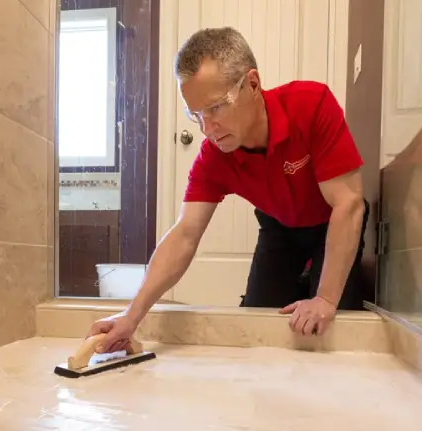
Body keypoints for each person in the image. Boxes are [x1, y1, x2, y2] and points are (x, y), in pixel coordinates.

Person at [88, 27, 368, 353]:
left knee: (334, 326)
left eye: (216, 107)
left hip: (331, 220)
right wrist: (131, 316)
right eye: (196, 114)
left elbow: (349, 203)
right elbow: (185, 233)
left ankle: (315, 284)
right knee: (255, 321)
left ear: (252, 84)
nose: (207, 129)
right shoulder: (214, 157)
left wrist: (325, 298)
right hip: (279, 229)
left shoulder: (311, 104)